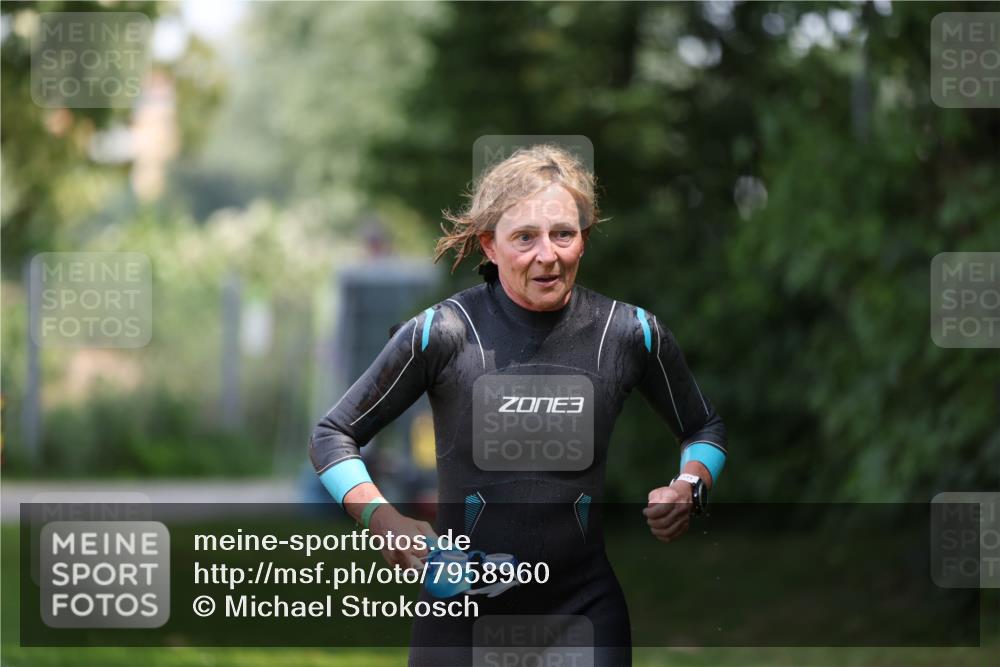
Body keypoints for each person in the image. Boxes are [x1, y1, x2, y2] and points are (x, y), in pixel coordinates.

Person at [309, 144, 727, 666]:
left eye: (563, 234)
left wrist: (690, 486)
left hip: (584, 613)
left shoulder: (628, 333)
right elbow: (331, 435)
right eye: (524, 237)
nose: (547, 254)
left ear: (584, 239)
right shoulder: (442, 333)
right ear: (490, 244)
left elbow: (703, 426)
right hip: (459, 614)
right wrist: (382, 518)